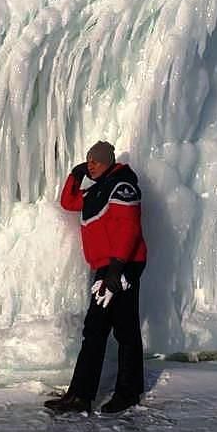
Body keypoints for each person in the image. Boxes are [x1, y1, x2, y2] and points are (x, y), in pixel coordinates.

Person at [45, 140, 148, 415]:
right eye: (89, 160)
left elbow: (128, 227)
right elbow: (68, 202)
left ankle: (121, 393)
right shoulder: (98, 191)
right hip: (107, 267)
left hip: (121, 266)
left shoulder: (122, 186)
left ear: (109, 162)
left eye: (96, 161)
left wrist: (116, 269)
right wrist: (76, 175)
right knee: (103, 329)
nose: (91, 164)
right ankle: (84, 394)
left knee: (116, 329)